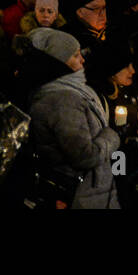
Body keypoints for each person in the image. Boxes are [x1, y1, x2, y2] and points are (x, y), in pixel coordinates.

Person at [24, 28, 121, 209]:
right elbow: (85, 156)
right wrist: (112, 136)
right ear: (59, 62)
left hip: (92, 191)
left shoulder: (68, 90)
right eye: (76, 56)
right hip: (83, 196)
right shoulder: (61, 100)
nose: (82, 60)